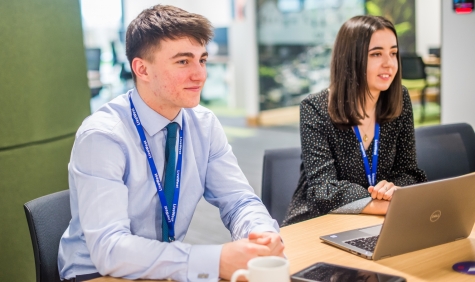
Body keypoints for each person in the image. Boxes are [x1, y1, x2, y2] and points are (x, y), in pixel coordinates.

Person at [58, 5, 283, 282]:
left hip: (167, 268)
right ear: (142, 69)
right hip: (97, 273)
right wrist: (215, 260)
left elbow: (238, 200)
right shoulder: (103, 136)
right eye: (183, 62)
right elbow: (110, 248)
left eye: (202, 60)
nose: (200, 75)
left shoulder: (203, 123)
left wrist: (262, 234)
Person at [283, 15, 427, 226]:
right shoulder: (315, 108)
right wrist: (381, 205)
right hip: (320, 221)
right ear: (351, 59)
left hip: (379, 221)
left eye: (393, 53)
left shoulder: (400, 99)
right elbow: (323, 190)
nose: (389, 64)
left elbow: (409, 172)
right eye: (377, 54)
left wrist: (394, 188)